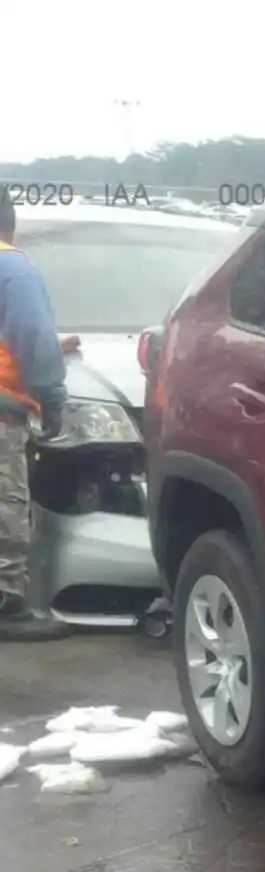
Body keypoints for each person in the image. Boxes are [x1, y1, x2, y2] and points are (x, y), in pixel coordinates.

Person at [0, 190, 70, 640]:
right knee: (6, 503)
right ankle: (8, 605)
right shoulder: (13, 268)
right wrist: (53, 398)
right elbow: (32, 334)